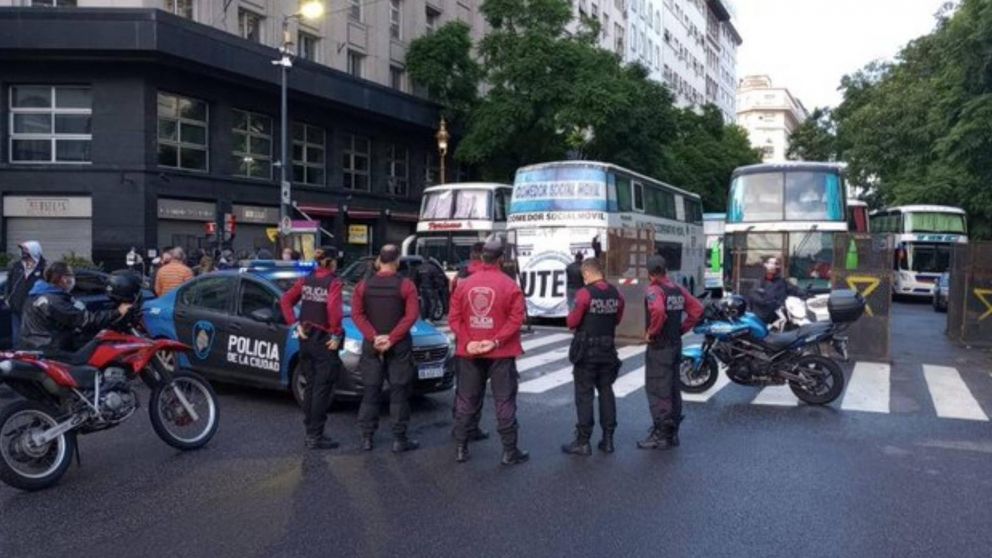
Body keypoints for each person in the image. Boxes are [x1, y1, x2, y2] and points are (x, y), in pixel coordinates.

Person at [449, 238, 528, 465]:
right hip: (501, 352)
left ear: (482, 257)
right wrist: (495, 341)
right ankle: (509, 451)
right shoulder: (510, 286)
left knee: (466, 399)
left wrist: (468, 341)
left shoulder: (464, 284)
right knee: (504, 400)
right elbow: (516, 319)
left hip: (470, 351)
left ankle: (461, 448)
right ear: (500, 259)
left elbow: (454, 318)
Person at [352, 245, 421, 453]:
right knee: (399, 391)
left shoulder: (363, 285)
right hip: (399, 345)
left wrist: (374, 337)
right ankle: (399, 439)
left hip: (372, 344)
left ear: (379, 261)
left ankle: (366, 438)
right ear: (397, 261)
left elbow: (357, 315)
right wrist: (392, 338)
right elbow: (411, 316)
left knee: (371, 390)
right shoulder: (406, 285)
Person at [279, 246, 345, 450]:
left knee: (310, 385)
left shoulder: (306, 280)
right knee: (321, 388)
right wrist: (336, 333)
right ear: (331, 262)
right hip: (323, 338)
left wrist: (294, 324)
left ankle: (310, 431)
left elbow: (285, 300)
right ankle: (316, 435)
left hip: (305, 338)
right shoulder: (333, 282)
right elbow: (334, 310)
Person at [639, 255, 703, 450]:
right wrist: (682, 329)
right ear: (665, 270)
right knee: (673, 387)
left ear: (650, 274)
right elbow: (697, 309)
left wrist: (652, 332)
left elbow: (658, 310)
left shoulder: (654, 290)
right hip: (675, 344)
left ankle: (662, 434)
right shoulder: (677, 289)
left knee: (658, 388)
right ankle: (672, 432)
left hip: (660, 346)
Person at [562, 258, 625, 456]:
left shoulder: (584, 293)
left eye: (584, 275)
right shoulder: (616, 293)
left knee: (584, 395)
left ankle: (583, 441)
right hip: (608, 350)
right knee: (606, 392)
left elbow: (572, 322)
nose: (584, 279)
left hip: (586, 352)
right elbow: (617, 318)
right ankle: (608, 439)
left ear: (588, 273)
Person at [19, 262, 132, 353]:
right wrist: (117, 312)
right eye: (71, 275)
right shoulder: (53, 300)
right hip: (51, 350)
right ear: (63, 279)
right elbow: (84, 320)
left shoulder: (36, 295)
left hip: (36, 346)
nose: (73, 279)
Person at [447, 241, 489, 442]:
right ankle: (471, 427)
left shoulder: (460, 276)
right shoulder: (486, 276)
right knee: (478, 386)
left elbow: (453, 306)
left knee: (463, 385)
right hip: (485, 336)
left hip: (463, 336)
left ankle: (460, 424)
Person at [5, 241, 45, 347]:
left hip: (33, 309)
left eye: (26, 250)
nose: (23, 252)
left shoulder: (43, 268)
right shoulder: (17, 266)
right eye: (23, 250)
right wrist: (7, 298)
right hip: (16, 306)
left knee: (32, 336)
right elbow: (9, 284)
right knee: (17, 336)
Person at [748, 256, 801, 324]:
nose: (774, 266)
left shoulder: (783, 282)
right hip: (761, 321)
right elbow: (753, 300)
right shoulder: (759, 283)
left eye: (776, 264)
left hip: (779, 322)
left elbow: (797, 292)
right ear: (765, 265)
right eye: (771, 263)